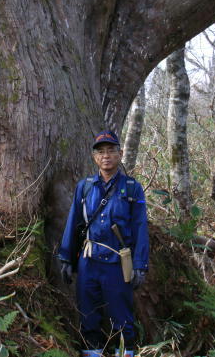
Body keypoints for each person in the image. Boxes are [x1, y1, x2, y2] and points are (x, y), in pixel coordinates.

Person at [58, 130, 149, 357]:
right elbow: (74, 221)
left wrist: (140, 264)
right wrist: (67, 258)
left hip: (118, 263)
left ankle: (125, 352)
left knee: (122, 315)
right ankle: (92, 353)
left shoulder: (131, 187)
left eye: (111, 151)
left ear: (120, 154)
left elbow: (140, 227)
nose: (106, 156)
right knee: (88, 315)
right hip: (88, 261)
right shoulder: (85, 187)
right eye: (101, 152)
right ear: (94, 157)